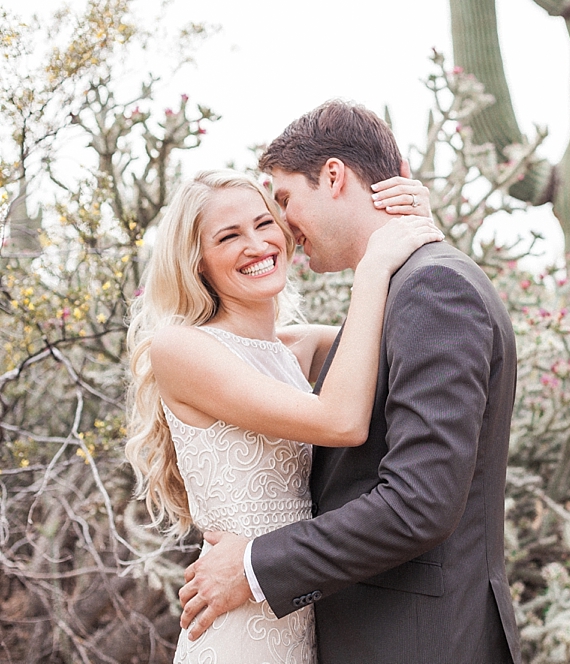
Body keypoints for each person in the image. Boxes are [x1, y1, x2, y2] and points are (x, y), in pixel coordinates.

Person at [177, 100, 523, 664]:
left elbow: (419, 503)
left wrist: (255, 565)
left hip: (418, 642)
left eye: (283, 200)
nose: (283, 225)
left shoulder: (433, 288)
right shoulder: (407, 287)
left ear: (333, 176)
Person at [126, 168, 442, 663]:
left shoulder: (300, 348)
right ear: (198, 262)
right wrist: (373, 267)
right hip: (236, 624)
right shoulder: (180, 349)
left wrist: (414, 223)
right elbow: (341, 421)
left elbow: (416, 317)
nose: (256, 244)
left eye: (264, 224)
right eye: (229, 236)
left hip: (303, 612)